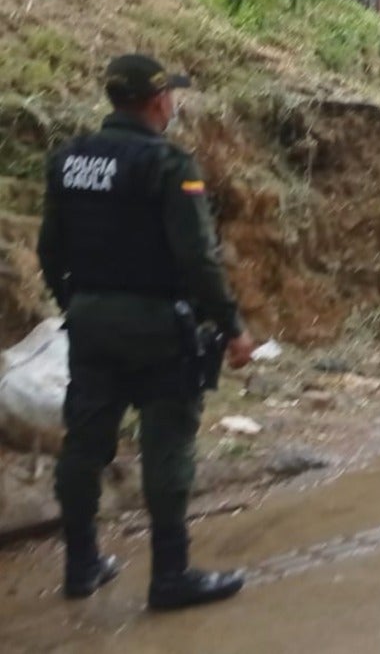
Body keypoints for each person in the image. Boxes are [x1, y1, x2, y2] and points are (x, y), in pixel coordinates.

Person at [38, 54, 257, 610]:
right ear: (159, 101)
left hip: (89, 323)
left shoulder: (68, 160)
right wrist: (231, 327)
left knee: (84, 443)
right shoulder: (168, 163)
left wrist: (80, 304)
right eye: (171, 97)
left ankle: (82, 563)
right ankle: (170, 575)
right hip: (158, 327)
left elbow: (49, 249)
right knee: (168, 446)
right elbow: (197, 258)